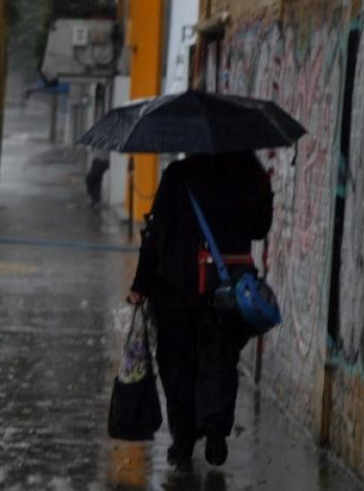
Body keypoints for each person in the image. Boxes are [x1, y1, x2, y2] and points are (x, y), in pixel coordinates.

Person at [127, 151, 273, 468]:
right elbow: (260, 228)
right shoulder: (248, 171)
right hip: (229, 287)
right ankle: (216, 431)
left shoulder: (178, 174)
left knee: (177, 362)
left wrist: (140, 284)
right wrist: (263, 185)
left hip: (176, 288)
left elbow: (155, 236)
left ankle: (182, 440)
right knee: (220, 357)